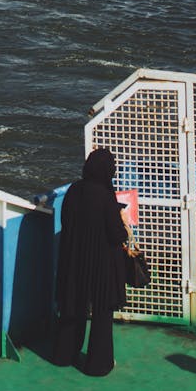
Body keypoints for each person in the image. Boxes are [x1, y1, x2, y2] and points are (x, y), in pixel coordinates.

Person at [53, 147, 130, 376]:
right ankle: (98, 364)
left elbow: (67, 220)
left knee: (72, 307)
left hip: (74, 259)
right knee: (101, 316)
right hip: (101, 265)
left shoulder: (75, 190)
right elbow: (116, 235)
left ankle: (63, 355)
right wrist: (122, 219)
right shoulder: (106, 195)